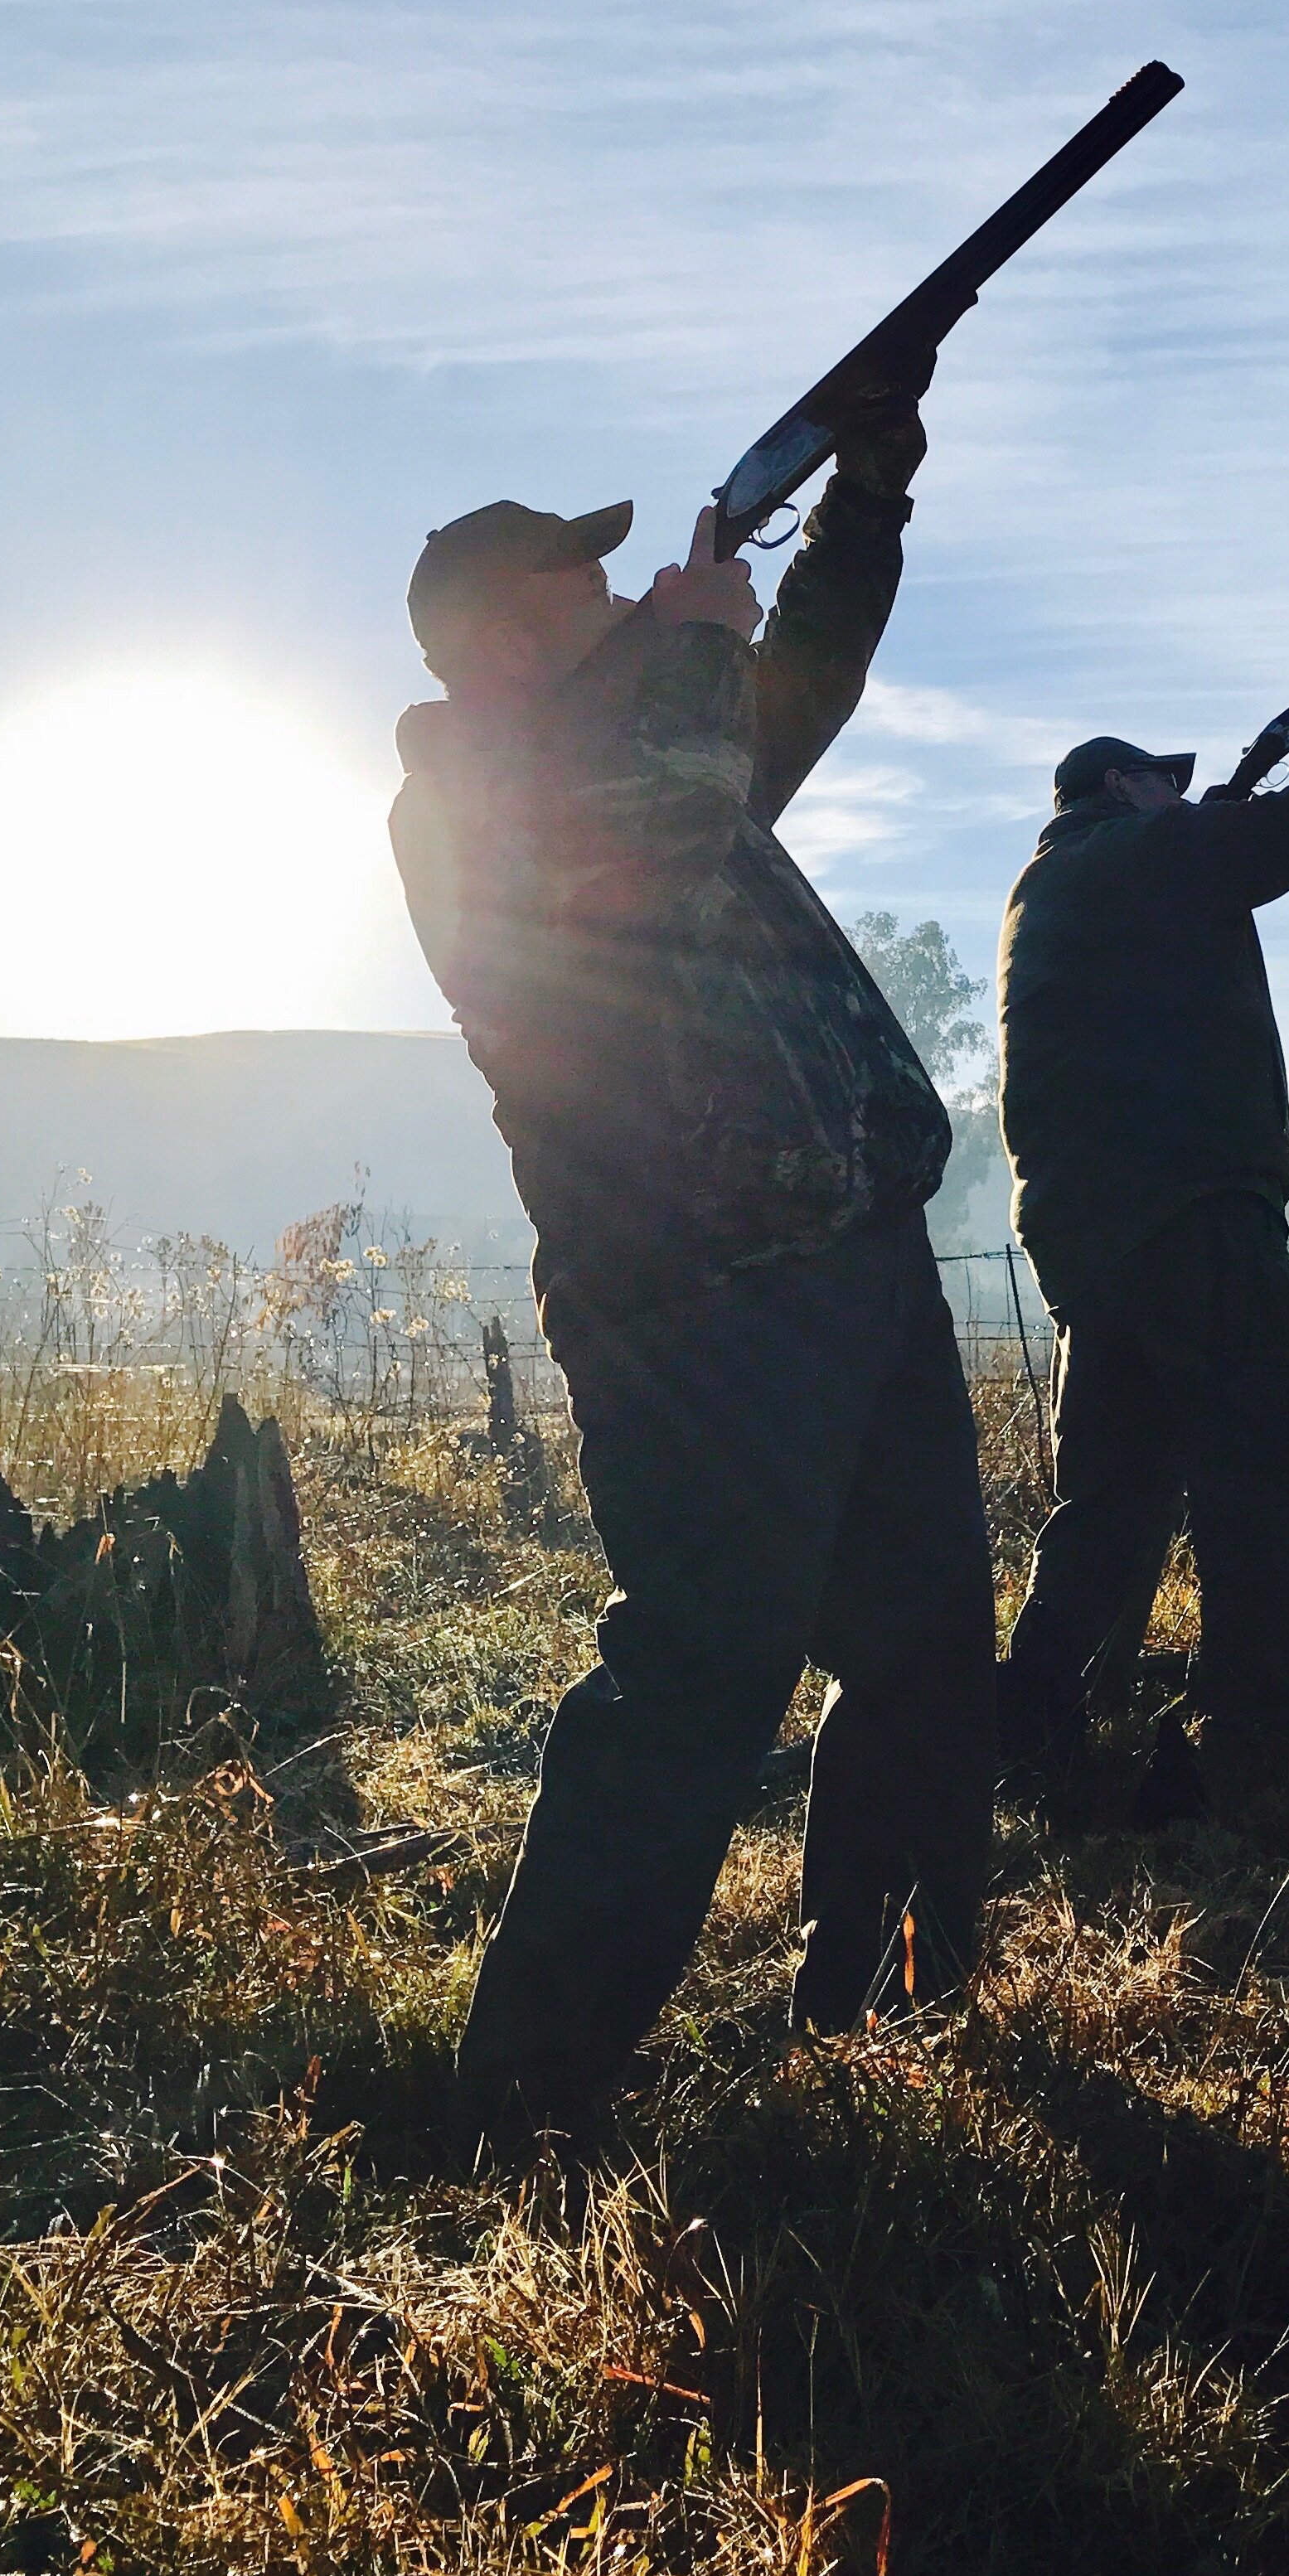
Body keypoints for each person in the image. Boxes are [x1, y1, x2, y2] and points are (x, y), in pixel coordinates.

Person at [388, 375, 996, 2141]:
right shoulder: (473, 794)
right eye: (581, 582)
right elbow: (645, 847)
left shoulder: (668, 735)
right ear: (501, 638)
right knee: (699, 1680)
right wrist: (691, 633)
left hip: (852, 1257)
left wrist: (864, 502)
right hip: (698, 1305)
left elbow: (781, 697)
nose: (621, 588)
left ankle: (891, 2014)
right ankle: (524, 2096)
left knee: (924, 1652)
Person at [993, 713, 1289, 1817]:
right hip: (1190, 1211)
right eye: (1166, 783)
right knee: (1270, 1479)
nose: (1183, 796)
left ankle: (1041, 1716)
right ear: (1121, 786)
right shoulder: (1141, 855)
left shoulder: (1050, 886)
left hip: (1091, 1232)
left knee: (1113, 1494)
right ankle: (1258, 1752)